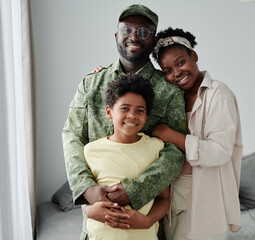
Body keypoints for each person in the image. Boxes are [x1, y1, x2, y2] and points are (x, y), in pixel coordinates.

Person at [62, 5, 187, 240]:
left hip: (144, 224)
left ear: (153, 40)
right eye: (127, 29)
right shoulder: (91, 84)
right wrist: (88, 189)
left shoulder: (169, 91)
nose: (134, 36)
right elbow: (72, 135)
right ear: (117, 35)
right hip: (97, 223)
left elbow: (176, 151)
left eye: (143, 32)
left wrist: (134, 190)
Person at [151, 28, 243, 240]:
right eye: (167, 71)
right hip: (174, 191)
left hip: (205, 192)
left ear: (194, 56)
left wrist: (170, 135)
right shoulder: (173, 97)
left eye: (181, 62)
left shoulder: (218, 93)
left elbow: (220, 151)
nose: (176, 73)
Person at [83, 74, 170, 240]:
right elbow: (86, 194)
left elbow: (164, 198)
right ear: (109, 112)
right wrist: (88, 210)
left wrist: (148, 221)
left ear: (146, 116)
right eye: (125, 108)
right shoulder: (91, 150)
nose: (132, 115)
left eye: (140, 110)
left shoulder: (155, 147)